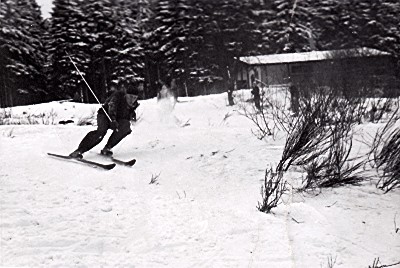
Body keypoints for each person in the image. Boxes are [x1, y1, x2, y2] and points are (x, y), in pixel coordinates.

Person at [69, 83, 140, 159]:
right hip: (105, 115)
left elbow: (127, 118)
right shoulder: (118, 96)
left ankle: (107, 148)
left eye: (135, 97)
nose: (132, 99)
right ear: (126, 95)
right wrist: (113, 119)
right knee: (101, 132)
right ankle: (79, 150)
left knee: (125, 127)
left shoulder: (133, 105)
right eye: (130, 96)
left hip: (116, 119)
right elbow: (112, 107)